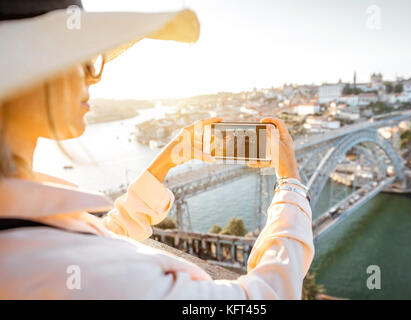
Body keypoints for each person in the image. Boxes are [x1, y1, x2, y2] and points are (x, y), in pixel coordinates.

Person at [0, 1, 314, 299]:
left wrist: (167, 158)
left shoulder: (25, 234)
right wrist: (290, 181)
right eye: (83, 60)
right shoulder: (62, 265)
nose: (94, 77)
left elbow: (103, 238)